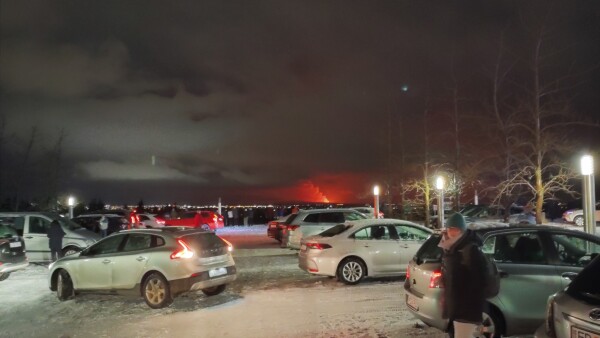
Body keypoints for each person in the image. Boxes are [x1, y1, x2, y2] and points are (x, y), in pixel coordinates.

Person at [438, 213, 487, 338]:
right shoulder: (451, 248)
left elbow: (479, 280)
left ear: (462, 230)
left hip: (466, 305)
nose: (451, 232)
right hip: (456, 303)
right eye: (450, 229)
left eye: (456, 229)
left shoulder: (469, 249)